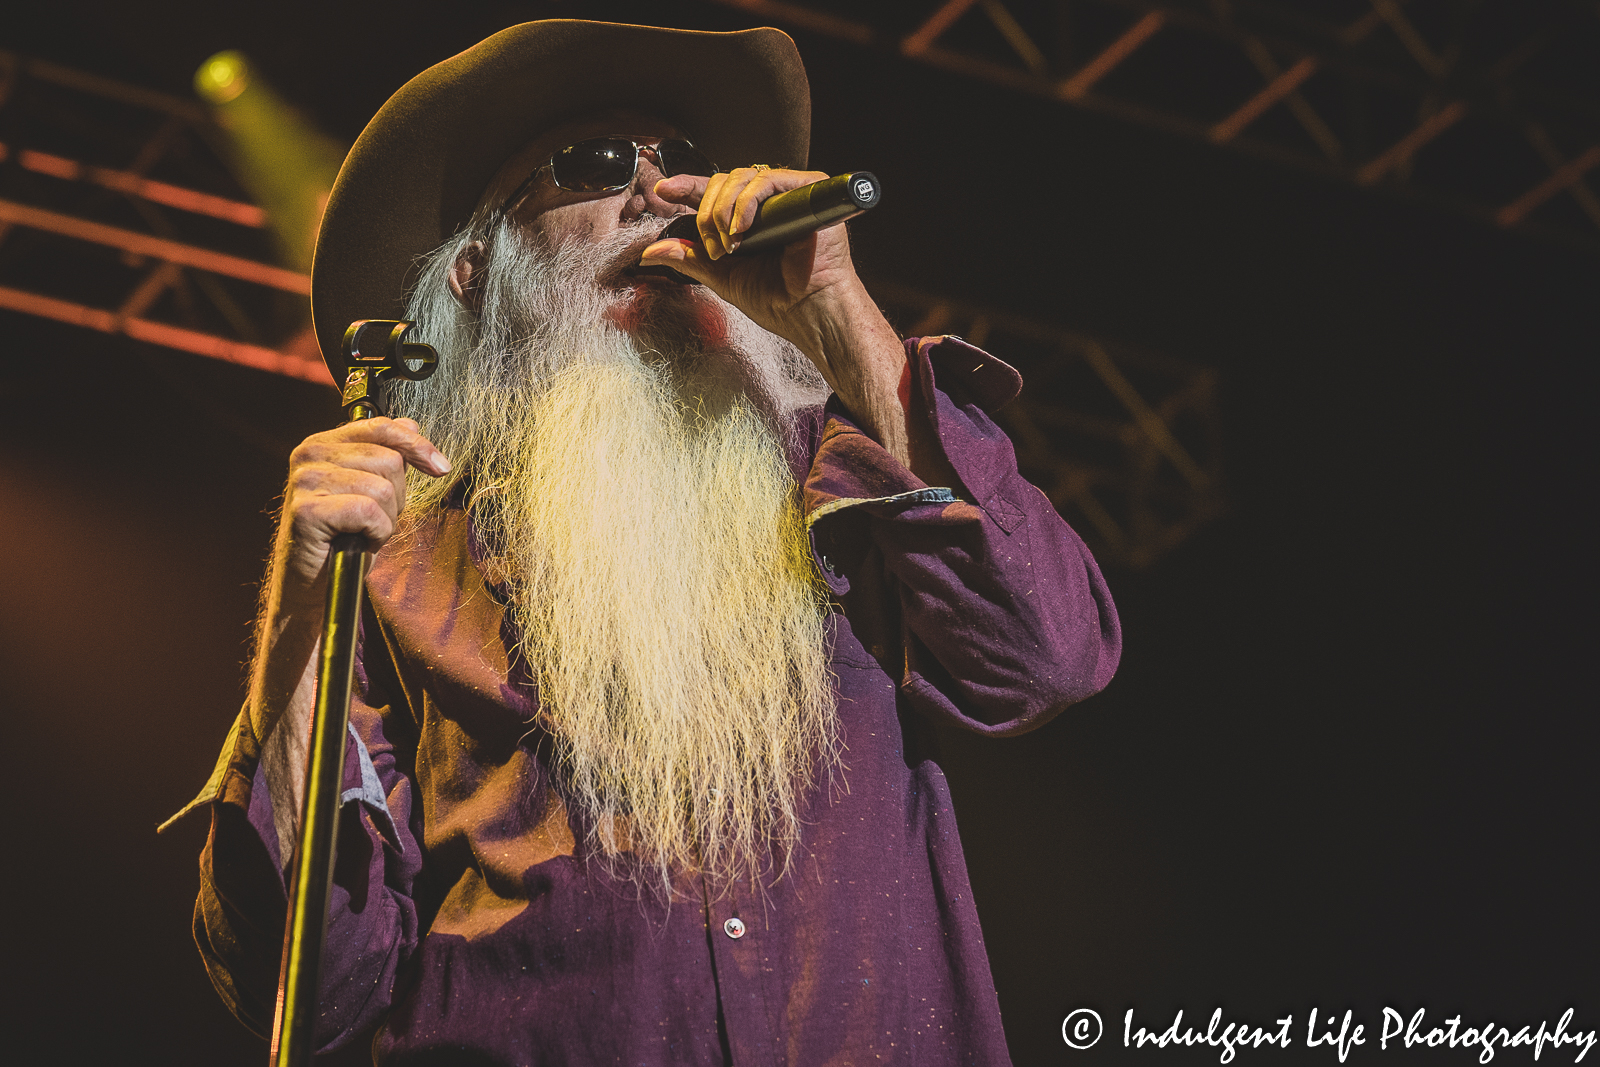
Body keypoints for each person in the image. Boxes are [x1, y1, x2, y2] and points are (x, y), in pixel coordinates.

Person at [167, 19, 1121, 1065]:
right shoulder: (396, 573)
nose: (658, 191)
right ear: (478, 268)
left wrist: (838, 313)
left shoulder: (839, 472)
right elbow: (304, 990)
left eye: (680, 161)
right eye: (596, 164)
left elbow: (1048, 657)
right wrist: (305, 605)